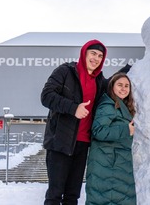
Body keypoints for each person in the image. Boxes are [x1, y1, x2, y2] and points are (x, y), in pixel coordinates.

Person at [41, 39, 107, 205]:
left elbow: (115, 85)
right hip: (60, 142)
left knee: (73, 195)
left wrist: (130, 69)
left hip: (83, 144)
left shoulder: (99, 80)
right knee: (55, 195)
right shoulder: (65, 71)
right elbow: (46, 96)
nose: (96, 58)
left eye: (100, 55)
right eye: (93, 53)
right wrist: (73, 108)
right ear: (84, 53)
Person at [85, 72, 136, 205]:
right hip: (107, 163)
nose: (123, 88)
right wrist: (126, 130)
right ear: (112, 87)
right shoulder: (108, 105)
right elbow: (98, 131)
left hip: (115, 163)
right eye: (119, 85)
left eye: (126, 86)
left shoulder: (120, 105)